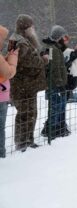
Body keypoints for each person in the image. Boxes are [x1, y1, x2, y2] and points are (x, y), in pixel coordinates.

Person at [9, 14, 48, 151]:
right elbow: (26, 63)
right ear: (25, 27)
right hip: (22, 86)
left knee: (28, 114)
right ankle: (23, 143)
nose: (33, 29)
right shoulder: (19, 42)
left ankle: (27, 140)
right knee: (26, 114)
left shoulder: (20, 40)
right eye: (31, 26)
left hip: (26, 86)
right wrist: (43, 60)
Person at [41, 25, 70, 139]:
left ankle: (57, 129)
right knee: (55, 108)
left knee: (59, 107)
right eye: (64, 37)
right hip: (55, 85)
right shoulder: (53, 49)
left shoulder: (55, 49)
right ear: (59, 38)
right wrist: (60, 84)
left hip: (56, 84)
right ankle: (51, 131)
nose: (65, 39)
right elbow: (54, 68)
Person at [0, 25, 18, 158]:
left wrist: (6, 57)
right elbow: (9, 72)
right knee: (0, 129)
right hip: (1, 96)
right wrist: (13, 55)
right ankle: (1, 155)